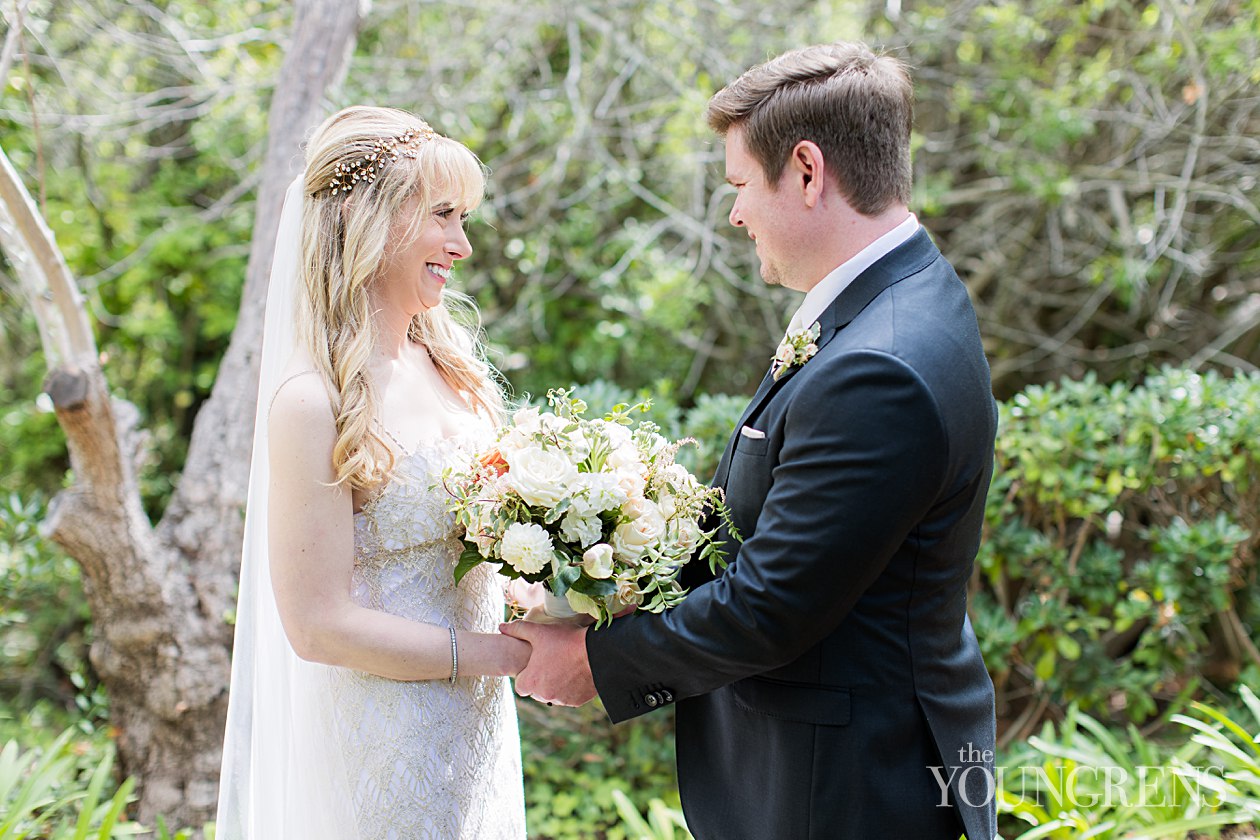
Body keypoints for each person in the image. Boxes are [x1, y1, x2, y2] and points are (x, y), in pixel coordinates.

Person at [503, 42, 1000, 840]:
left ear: (806, 170)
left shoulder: (882, 365)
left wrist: (597, 664)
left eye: (739, 185)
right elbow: (774, 519)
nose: (733, 214)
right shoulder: (896, 298)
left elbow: (773, 605)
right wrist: (604, 591)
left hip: (847, 791)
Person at [216, 106, 529, 839]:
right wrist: (500, 656)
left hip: (476, 729)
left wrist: (550, 591)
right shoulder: (310, 401)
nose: (463, 243)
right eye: (444, 215)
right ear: (369, 217)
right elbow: (317, 624)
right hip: (380, 743)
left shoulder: (457, 373)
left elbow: (487, 548)